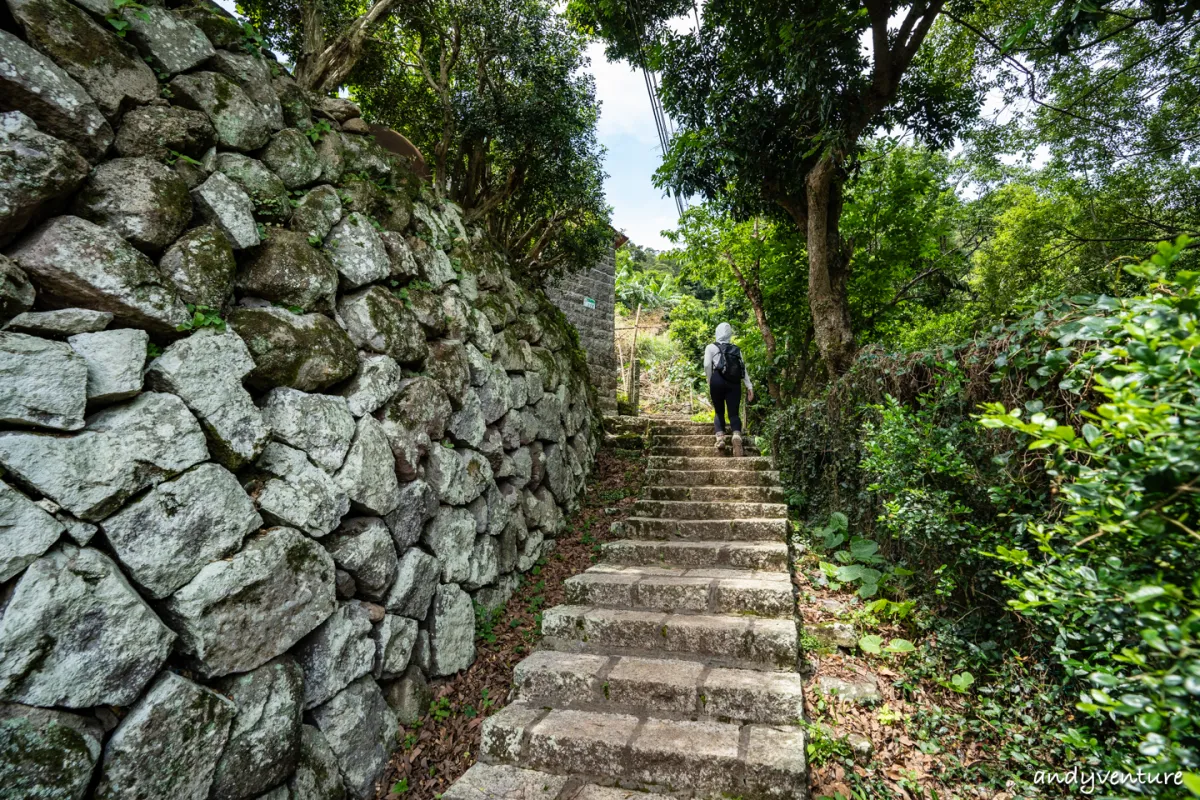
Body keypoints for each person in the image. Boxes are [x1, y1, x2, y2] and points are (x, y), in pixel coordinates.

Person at [704, 323, 754, 456]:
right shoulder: (736, 349)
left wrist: (710, 379)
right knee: (734, 413)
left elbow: (707, 364)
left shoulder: (711, 347)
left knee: (719, 411)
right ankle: (736, 436)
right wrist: (749, 386)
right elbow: (743, 369)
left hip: (717, 380)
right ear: (729, 334)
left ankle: (720, 438)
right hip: (734, 383)